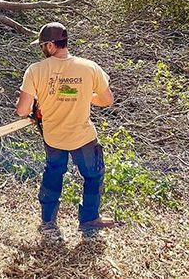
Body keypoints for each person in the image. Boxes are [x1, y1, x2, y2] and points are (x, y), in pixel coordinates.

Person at [15, 22, 116, 241]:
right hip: (83, 137)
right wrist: (85, 96)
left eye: (43, 45)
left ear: (51, 45)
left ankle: (48, 222)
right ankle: (89, 219)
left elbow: (22, 110)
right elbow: (107, 100)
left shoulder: (35, 70)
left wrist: (36, 106)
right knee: (93, 175)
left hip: (54, 137)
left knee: (53, 174)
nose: (42, 49)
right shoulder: (89, 67)